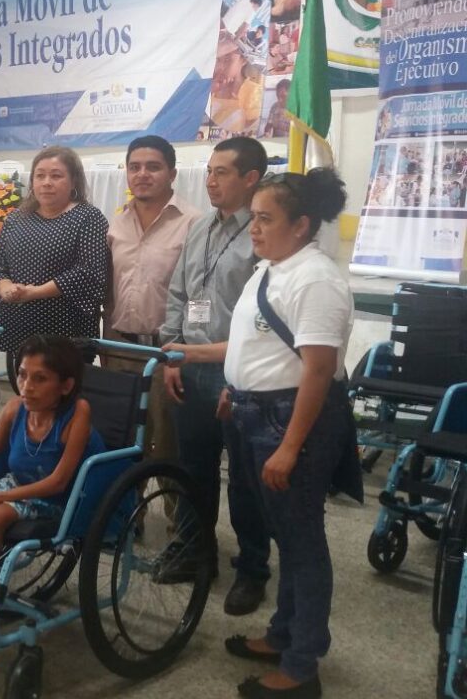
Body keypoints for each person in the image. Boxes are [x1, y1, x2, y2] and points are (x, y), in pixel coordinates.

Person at [168, 168, 359, 699]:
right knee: (285, 535)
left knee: (302, 543)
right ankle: (282, 635)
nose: (253, 228)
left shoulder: (315, 279)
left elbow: (318, 370)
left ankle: (301, 668)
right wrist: (215, 370)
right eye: (253, 217)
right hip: (254, 412)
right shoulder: (270, 270)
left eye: (265, 219)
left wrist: (292, 447)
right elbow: (250, 345)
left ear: (301, 225)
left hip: (290, 421)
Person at [160, 136, 272, 615]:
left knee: (246, 479)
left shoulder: (266, 234)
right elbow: (179, 292)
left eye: (221, 172)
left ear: (251, 179)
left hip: (238, 373)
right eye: (208, 171)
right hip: (190, 368)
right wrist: (170, 354)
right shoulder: (202, 226)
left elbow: (264, 317)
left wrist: (237, 378)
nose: (210, 180)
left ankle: (252, 568)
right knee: (193, 468)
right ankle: (195, 551)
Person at [0, 335, 102, 654]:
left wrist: (0, 498)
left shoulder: (78, 413)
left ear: (66, 385)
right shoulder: (16, 408)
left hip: (58, 499)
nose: (26, 386)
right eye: (22, 375)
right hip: (15, 485)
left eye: (39, 378)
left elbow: (59, 482)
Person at [105, 135, 199, 469]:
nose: (142, 174)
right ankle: (131, 519)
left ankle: (179, 522)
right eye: (135, 167)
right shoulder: (116, 222)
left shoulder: (193, 224)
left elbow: (198, 295)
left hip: (167, 356)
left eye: (153, 167)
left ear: (172, 174)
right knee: (122, 442)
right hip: (119, 351)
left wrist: (180, 354)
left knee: (168, 449)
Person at [0, 146, 108, 356]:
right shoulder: (16, 218)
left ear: (74, 181)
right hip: (18, 323)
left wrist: (35, 293)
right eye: (40, 176)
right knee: (24, 384)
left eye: (56, 176)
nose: (46, 182)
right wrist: (6, 287)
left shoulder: (88, 217)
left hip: (66, 328)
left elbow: (90, 271)